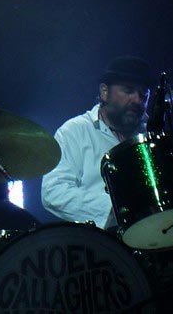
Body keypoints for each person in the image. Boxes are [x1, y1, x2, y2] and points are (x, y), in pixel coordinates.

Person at [41, 56, 151, 229]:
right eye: (129, 90)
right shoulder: (75, 131)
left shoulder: (151, 135)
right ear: (104, 92)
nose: (137, 100)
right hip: (96, 245)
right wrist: (116, 208)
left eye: (143, 94)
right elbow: (53, 192)